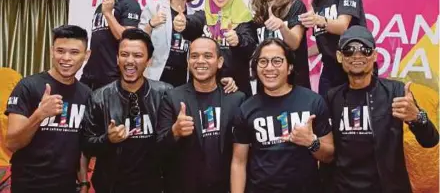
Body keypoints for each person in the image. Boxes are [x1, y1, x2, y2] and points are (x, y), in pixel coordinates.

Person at [326, 25, 439, 193]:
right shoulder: (332, 97)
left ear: (374, 55)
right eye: (349, 50)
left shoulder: (396, 92)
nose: (357, 55)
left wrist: (417, 117)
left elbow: (430, 140)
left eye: (365, 49)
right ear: (340, 56)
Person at [231, 38, 334, 193]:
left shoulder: (312, 101)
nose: (269, 68)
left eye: (277, 61)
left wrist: (311, 142)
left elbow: (329, 156)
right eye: (263, 62)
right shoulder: (246, 108)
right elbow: (239, 162)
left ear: (290, 67)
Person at [81, 29, 172, 193]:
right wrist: (108, 139)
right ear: (117, 59)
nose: (130, 61)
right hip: (111, 186)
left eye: (137, 55)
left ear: (149, 61)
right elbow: (86, 145)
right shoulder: (99, 98)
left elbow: (173, 145)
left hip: (155, 186)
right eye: (124, 54)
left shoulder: (165, 93)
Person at [5, 25, 91, 193]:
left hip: (66, 186)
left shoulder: (86, 94)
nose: (66, 58)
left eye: (74, 52)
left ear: (86, 55)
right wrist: (39, 115)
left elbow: (82, 145)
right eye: (60, 51)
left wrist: (83, 182)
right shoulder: (28, 86)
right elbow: (12, 143)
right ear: (52, 51)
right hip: (29, 185)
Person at [156, 37, 247, 193]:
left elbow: (241, 156)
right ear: (188, 61)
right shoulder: (172, 97)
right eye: (194, 56)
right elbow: (158, 149)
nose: (200, 61)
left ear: (219, 62)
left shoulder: (236, 99)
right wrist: (175, 132)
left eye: (207, 56)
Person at [299, 0, 367, 97]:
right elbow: (324, 42)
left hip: (353, 67)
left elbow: (343, 27)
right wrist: (297, 53)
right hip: (329, 71)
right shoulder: (316, 1)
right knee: (325, 118)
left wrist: (318, 19)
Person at [174, 0, 257, 97]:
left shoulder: (244, 19)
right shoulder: (204, 16)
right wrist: (184, 23)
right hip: (203, 90)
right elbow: (193, 24)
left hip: (236, 91)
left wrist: (238, 40)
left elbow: (250, 46)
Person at [81, 0, 143, 90]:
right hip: (90, 77)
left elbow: (128, 40)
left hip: (113, 79)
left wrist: (108, 14)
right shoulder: (102, 5)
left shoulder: (130, 4)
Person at [250, 0, 311, 89]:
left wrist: (282, 26)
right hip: (266, 89)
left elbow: (294, 43)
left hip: (295, 87)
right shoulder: (258, 16)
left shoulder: (296, 6)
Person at [139, 0, 199, 87]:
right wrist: (150, 24)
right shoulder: (154, 8)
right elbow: (137, 40)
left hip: (182, 80)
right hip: (155, 76)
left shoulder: (195, 16)